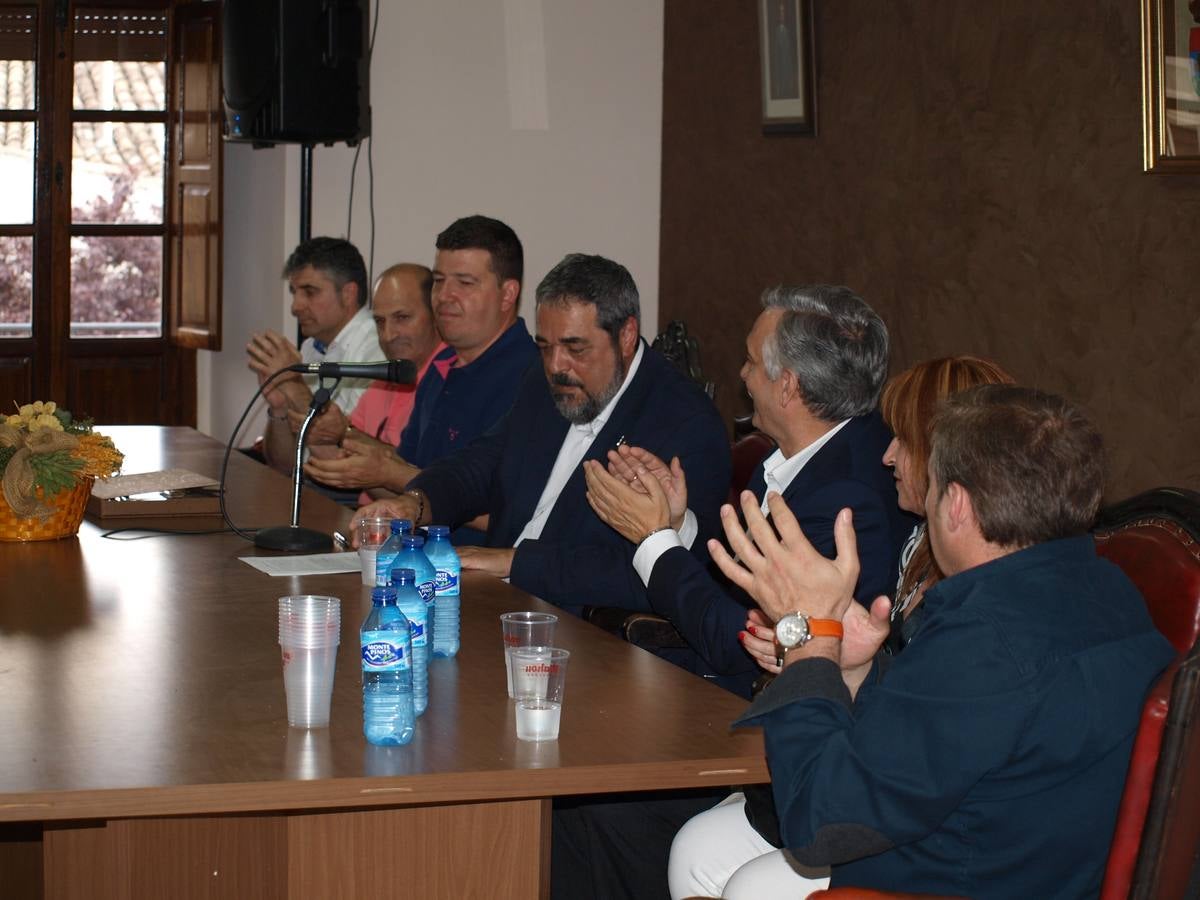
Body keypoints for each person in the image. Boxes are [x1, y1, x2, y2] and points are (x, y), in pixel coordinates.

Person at [709, 385, 1174, 899]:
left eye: (931, 486)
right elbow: (963, 733)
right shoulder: (1112, 592)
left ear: (954, 503)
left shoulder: (986, 640)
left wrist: (805, 640)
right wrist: (860, 671)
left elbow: (819, 825)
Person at [670, 355, 1016, 900]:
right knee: (699, 845)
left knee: (748, 884)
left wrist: (817, 653)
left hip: (919, 830)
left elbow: (929, 744)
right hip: (881, 784)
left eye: (901, 438)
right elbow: (897, 696)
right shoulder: (917, 547)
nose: (886, 455)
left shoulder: (979, 588)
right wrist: (840, 658)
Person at [351, 252, 731, 615]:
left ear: (627, 335)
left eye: (574, 348)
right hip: (496, 601)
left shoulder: (687, 423)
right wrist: (415, 504)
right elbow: (485, 461)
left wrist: (514, 563)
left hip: (586, 627)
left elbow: (658, 571)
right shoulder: (543, 379)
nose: (556, 366)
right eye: (545, 347)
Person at [583, 285, 916, 698]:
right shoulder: (797, 457)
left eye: (752, 361)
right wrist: (674, 524)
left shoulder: (849, 498)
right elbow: (733, 586)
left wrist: (653, 540)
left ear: (788, 387)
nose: (742, 374)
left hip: (748, 710)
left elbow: (734, 643)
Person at [303, 215, 538, 499]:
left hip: (470, 545)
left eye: (464, 283)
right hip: (413, 538)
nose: (444, 296)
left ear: (508, 294)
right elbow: (410, 491)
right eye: (439, 280)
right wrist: (357, 466)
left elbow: (501, 511)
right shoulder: (440, 367)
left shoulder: (532, 378)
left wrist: (388, 472)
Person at [300, 263, 448, 506]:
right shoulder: (391, 373)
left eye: (402, 318)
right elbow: (350, 460)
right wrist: (317, 434)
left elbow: (419, 484)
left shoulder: (448, 376)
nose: (388, 335)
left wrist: (344, 433)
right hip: (367, 520)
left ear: (436, 316)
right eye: (379, 321)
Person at [245, 237, 379, 475]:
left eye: (310, 292)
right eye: (294, 292)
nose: (295, 306)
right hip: (311, 489)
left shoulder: (376, 349)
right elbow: (283, 466)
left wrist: (294, 385)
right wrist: (279, 409)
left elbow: (348, 463)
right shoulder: (310, 348)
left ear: (348, 294)